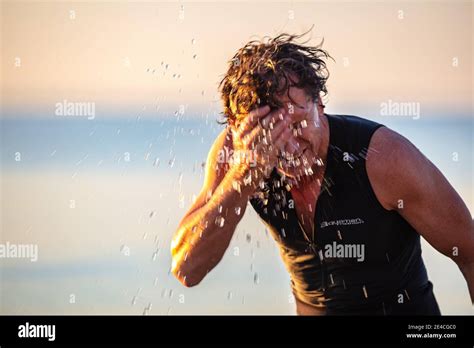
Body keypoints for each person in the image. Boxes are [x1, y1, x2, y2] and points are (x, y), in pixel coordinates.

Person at [170, 32, 473, 315]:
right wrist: (242, 177)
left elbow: (469, 252)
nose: (287, 144)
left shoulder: (383, 158)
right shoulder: (238, 156)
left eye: (297, 122)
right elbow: (186, 269)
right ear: (239, 130)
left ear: (320, 105)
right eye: (270, 133)